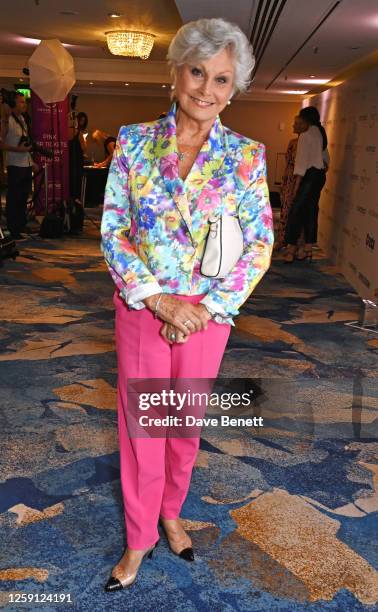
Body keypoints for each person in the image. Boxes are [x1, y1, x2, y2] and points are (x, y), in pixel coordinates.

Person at [100, 17, 274, 592]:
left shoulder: (247, 156)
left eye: (222, 79)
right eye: (198, 72)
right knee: (143, 427)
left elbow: (259, 244)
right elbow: (115, 230)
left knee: (184, 423)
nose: (207, 89)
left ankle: (171, 512)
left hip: (207, 315)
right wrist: (159, 300)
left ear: (235, 87)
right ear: (176, 71)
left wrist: (207, 307)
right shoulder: (131, 141)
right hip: (145, 305)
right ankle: (138, 538)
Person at [284, 106, 328, 262]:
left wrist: (297, 184)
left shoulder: (306, 135)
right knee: (310, 212)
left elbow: (301, 163)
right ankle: (308, 249)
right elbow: (325, 160)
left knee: (296, 212)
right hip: (319, 176)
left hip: (309, 176)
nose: (299, 121)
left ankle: (291, 248)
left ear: (307, 119)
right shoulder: (320, 132)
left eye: (301, 118)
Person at [0, 92, 37, 239]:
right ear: (13, 104)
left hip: (26, 164)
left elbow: (25, 143)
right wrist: (19, 150)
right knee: (14, 198)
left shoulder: (22, 119)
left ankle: (21, 225)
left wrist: (32, 161)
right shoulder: (6, 120)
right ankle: (13, 228)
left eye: (24, 102)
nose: (24, 104)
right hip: (15, 164)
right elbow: (1, 144)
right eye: (21, 102)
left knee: (23, 197)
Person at [275, 115, 307, 251]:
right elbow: (287, 161)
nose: (293, 126)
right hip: (288, 179)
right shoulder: (292, 142)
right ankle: (282, 240)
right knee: (285, 209)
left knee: (297, 211)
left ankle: (296, 243)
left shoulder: (307, 143)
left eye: (297, 123)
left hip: (300, 181)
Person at [68, 111, 88, 201]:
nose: (81, 123)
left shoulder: (68, 131)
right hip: (77, 161)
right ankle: (76, 203)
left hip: (70, 159)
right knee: (77, 183)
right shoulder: (78, 133)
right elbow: (84, 148)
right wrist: (84, 141)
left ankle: (72, 202)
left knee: (72, 182)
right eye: (81, 120)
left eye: (83, 121)